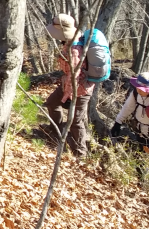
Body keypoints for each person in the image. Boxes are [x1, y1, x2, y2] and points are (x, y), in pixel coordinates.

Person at [43, 14, 110, 157]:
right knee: (51, 103)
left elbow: (75, 75)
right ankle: (57, 134)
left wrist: (68, 95)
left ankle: (81, 154)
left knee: (75, 121)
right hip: (68, 85)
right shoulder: (69, 43)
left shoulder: (73, 49)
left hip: (81, 89)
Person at [112, 72, 149, 167]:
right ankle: (141, 181)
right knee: (140, 161)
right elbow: (127, 107)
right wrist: (118, 123)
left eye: (141, 88)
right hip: (141, 133)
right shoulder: (136, 93)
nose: (138, 89)